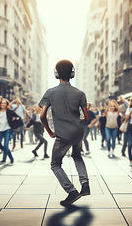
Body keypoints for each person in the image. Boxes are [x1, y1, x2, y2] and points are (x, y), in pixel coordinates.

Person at [39, 59, 91, 207]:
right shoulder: (80, 93)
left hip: (63, 134)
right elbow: (87, 118)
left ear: (56, 73)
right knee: (77, 156)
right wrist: (76, 120)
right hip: (78, 132)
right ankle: (85, 184)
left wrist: (49, 131)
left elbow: (42, 116)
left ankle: (72, 191)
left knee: (55, 164)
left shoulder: (50, 93)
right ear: (72, 73)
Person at [0, 98, 20, 165]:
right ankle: (6, 156)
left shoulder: (10, 111)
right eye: (2, 103)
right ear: (0, 104)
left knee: (6, 145)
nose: (3, 104)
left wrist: (13, 123)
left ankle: (9, 159)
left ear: (6, 104)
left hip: (7, 129)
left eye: (4, 103)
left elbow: (18, 117)